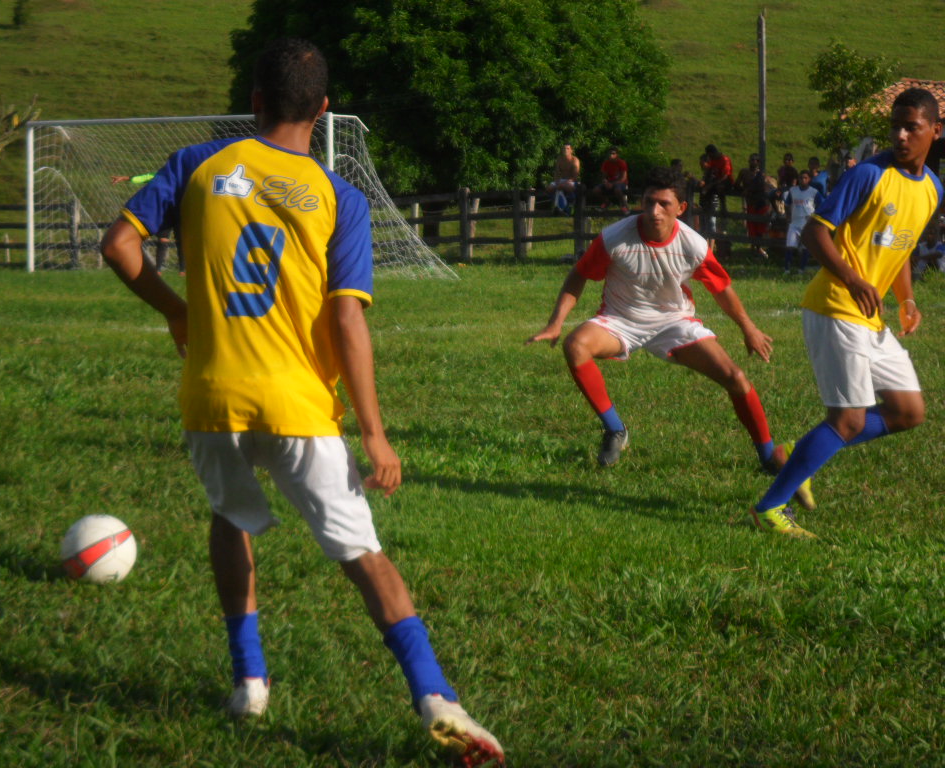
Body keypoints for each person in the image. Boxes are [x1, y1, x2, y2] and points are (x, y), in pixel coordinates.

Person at [99, 38, 504, 766]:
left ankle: (249, 680)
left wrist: (177, 311)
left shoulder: (197, 164)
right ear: (322, 110)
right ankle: (436, 696)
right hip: (298, 407)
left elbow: (119, 247)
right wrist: (376, 433)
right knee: (364, 556)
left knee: (230, 516)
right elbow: (348, 320)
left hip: (210, 395)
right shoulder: (338, 198)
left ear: (253, 102)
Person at [525, 166, 814, 509]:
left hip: (675, 323)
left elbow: (721, 288)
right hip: (621, 321)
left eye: (663, 204)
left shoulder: (691, 243)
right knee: (576, 347)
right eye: (648, 202)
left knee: (736, 378)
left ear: (680, 208)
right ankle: (616, 430)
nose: (653, 211)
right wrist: (556, 323)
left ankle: (768, 456)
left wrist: (748, 328)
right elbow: (579, 275)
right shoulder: (615, 237)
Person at [750, 87, 943, 538]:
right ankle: (770, 507)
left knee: (909, 412)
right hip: (835, 306)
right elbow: (818, 233)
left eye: (911, 127)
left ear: (935, 130)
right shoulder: (869, 174)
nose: (899, 135)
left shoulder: (933, 188)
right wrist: (854, 279)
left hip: (869, 317)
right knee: (849, 419)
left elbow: (900, 250)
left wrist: (906, 299)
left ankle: (805, 451)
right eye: (894, 126)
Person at [782, 169, 823, 274]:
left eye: (805, 178)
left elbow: (822, 205)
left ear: (809, 179)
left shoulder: (813, 192)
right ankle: (786, 269)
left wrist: (815, 217)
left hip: (807, 224)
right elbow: (787, 204)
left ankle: (801, 269)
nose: (802, 180)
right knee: (790, 246)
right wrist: (788, 216)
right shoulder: (793, 191)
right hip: (795, 223)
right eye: (801, 178)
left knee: (806, 248)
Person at [735, 153, 776, 259]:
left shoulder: (762, 176)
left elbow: (767, 189)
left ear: (758, 162)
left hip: (760, 204)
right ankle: (754, 249)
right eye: (751, 159)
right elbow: (736, 184)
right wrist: (743, 191)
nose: (752, 162)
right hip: (750, 203)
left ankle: (758, 248)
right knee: (751, 228)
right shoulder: (744, 173)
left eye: (755, 160)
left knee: (760, 229)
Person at [700, 144, 733, 223]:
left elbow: (725, 176)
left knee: (719, 187)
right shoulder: (713, 160)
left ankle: (723, 206)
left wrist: (710, 185)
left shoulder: (724, 160)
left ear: (712, 153)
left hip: (726, 181)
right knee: (704, 188)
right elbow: (709, 170)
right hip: (716, 180)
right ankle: (705, 207)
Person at [595, 146, 630, 214]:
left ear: (617, 155)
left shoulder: (621, 163)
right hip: (610, 182)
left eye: (613, 153)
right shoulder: (606, 163)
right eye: (610, 153)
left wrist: (612, 184)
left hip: (621, 183)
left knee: (617, 190)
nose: (611, 155)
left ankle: (624, 206)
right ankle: (606, 203)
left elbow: (623, 178)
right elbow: (603, 176)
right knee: (596, 190)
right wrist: (605, 182)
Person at [548, 142, 580, 214]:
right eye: (564, 148)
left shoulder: (575, 160)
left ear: (571, 150)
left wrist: (564, 183)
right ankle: (559, 206)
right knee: (549, 188)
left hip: (572, 181)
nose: (565, 150)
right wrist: (556, 181)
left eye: (567, 148)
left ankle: (567, 207)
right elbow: (556, 172)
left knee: (562, 187)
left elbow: (575, 176)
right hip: (561, 180)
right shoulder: (559, 159)